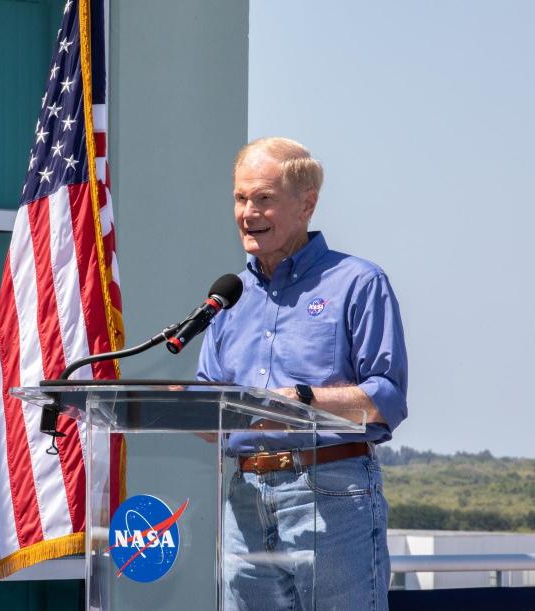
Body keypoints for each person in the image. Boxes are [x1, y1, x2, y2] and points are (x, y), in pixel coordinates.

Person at [197, 137, 408, 610]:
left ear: (306, 205)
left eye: (264, 199)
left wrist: (302, 399)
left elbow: (387, 398)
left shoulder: (358, 282)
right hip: (243, 496)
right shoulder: (228, 298)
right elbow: (212, 402)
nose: (248, 212)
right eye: (240, 198)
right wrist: (172, 405)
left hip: (331, 489)